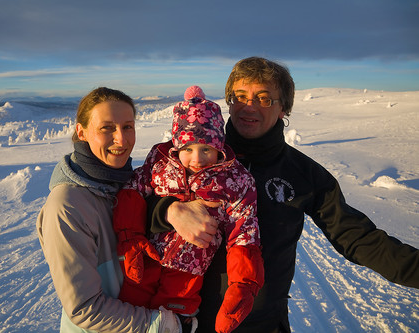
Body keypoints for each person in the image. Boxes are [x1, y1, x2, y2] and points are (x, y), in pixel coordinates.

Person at [148, 57, 419, 332]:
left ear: (283, 109)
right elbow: (124, 206)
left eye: (264, 98)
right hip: (185, 319)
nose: (248, 106)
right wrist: (168, 211)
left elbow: (357, 237)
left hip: (263, 324)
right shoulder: (190, 153)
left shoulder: (303, 174)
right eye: (240, 96)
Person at [112, 86, 264, 333]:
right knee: (130, 309)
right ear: (177, 146)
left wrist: (243, 284)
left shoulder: (234, 181)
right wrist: (130, 239)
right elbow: (133, 192)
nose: (197, 159)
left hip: (188, 272)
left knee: (174, 319)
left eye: (206, 149)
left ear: (219, 147)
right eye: (188, 150)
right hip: (146, 257)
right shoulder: (160, 162)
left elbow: (244, 232)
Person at [36, 87, 183, 333]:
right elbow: (84, 308)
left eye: (127, 127)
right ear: (81, 133)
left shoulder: (128, 187)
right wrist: (161, 324)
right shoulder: (67, 206)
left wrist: (170, 210)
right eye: (107, 128)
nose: (122, 140)